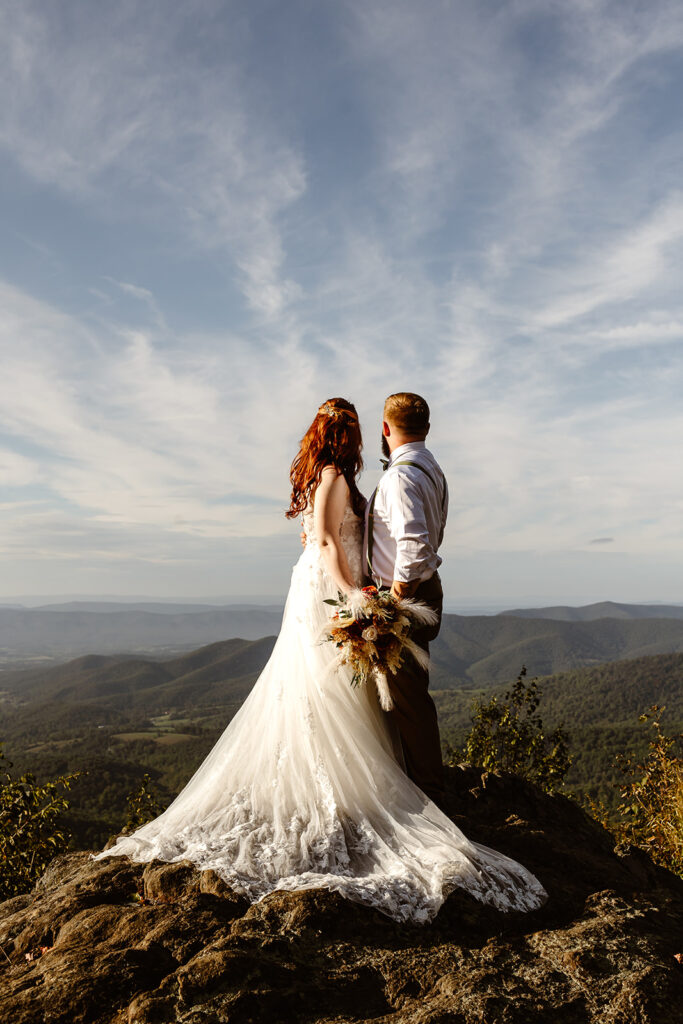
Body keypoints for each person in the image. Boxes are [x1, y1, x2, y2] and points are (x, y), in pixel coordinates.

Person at [95, 397, 546, 923]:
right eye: (350, 432)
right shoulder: (350, 475)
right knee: (339, 691)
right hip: (338, 593)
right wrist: (357, 594)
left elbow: (379, 543)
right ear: (345, 437)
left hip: (371, 595)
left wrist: (381, 597)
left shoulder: (381, 474)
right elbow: (330, 541)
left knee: (368, 692)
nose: (358, 442)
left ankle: (409, 784)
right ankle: (386, 786)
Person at [364, 393, 447, 805]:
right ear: (427, 428)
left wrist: (393, 602)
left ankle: (429, 792)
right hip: (427, 591)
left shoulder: (400, 477)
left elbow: (414, 545)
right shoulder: (431, 468)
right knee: (410, 694)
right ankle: (423, 780)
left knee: (409, 699)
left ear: (385, 429)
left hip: (408, 599)